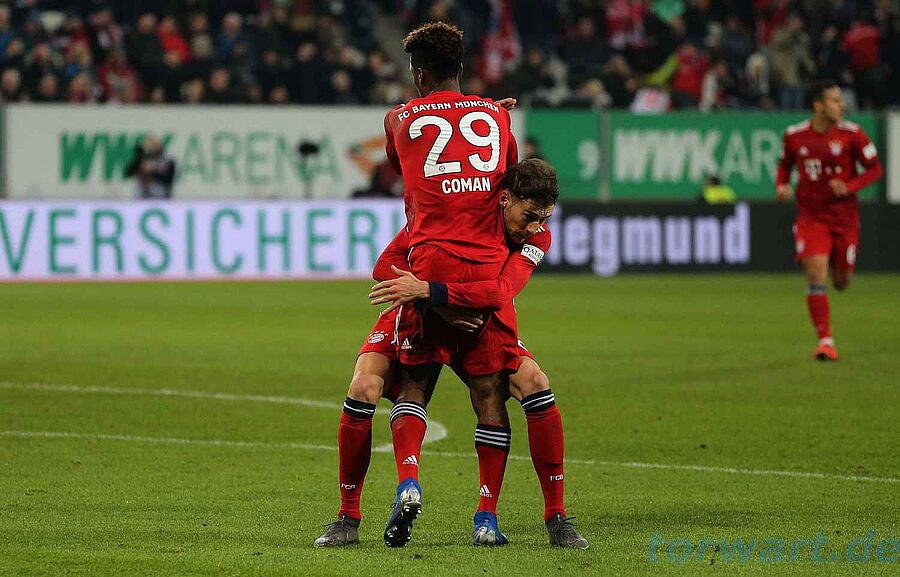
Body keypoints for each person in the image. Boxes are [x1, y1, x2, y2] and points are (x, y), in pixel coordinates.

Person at [313, 159, 587, 549]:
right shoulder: (452, 216)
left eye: (543, 219)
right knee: (366, 387)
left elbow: (499, 292)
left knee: (532, 385)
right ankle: (351, 515)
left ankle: (546, 517)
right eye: (529, 216)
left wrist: (429, 292)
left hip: (477, 319)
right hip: (426, 311)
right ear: (504, 199)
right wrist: (434, 305)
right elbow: (385, 264)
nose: (535, 228)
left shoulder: (536, 238)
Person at [380, 21, 523, 548]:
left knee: (414, 384)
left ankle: (409, 481)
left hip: (428, 265)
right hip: (484, 268)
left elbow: (401, 161)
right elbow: (509, 180)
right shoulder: (497, 116)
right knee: (490, 393)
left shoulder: (399, 117)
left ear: (419, 75)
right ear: (462, 67)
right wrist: (489, 114)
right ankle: (486, 518)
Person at [775, 80, 882, 361]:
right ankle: (825, 341)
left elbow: (875, 169)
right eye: (835, 100)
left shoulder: (853, 135)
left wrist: (849, 186)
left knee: (842, 281)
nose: (842, 105)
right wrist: (781, 185)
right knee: (815, 273)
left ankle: (840, 272)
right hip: (811, 218)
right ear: (818, 106)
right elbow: (784, 164)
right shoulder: (795, 136)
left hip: (844, 219)